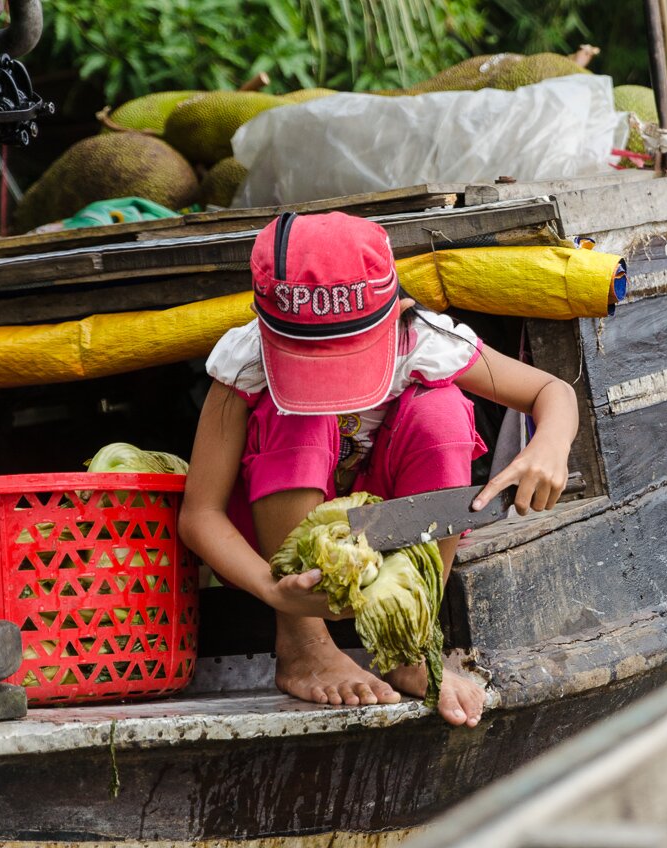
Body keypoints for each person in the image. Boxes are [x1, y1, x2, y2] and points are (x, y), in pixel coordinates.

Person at [179, 211, 579, 727]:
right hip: (273, 538)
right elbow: (200, 513)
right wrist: (271, 588)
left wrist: (549, 444)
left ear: (401, 311)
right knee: (295, 415)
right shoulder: (246, 359)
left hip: (384, 529)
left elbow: (553, 392)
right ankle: (304, 644)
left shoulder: (425, 341)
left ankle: (409, 643)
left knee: (441, 412)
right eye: (307, 358)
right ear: (265, 328)